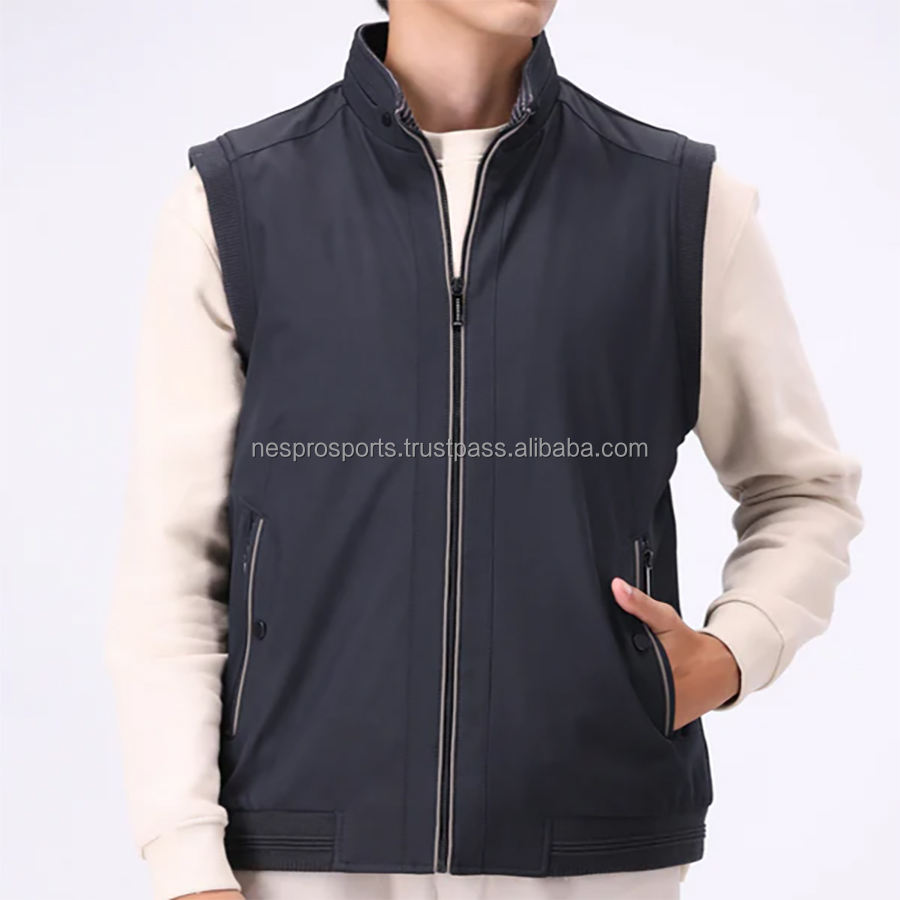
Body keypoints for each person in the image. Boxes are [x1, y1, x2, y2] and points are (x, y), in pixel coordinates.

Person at [104, 2, 864, 899]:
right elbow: (176, 559)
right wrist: (185, 855)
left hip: (592, 838)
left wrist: (733, 651)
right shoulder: (238, 203)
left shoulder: (679, 201)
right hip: (298, 843)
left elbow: (801, 490)